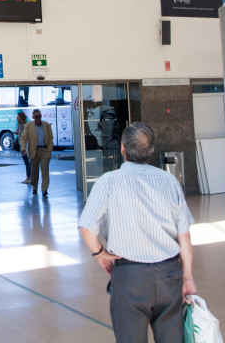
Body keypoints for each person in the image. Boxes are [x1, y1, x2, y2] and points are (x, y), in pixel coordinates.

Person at [78, 122, 197, 342]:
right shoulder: (170, 181)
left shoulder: (108, 182)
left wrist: (100, 254)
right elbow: (185, 234)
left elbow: (86, 227)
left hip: (129, 277)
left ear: (122, 148)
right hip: (169, 276)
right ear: (151, 150)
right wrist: (187, 276)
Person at [19, 109, 54, 196]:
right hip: (34, 151)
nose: (39, 118)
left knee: (45, 170)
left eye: (40, 116)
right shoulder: (29, 126)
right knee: (34, 171)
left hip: (45, 150)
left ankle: (44, 189)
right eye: (37, 117)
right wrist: (23, 148)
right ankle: (35, 187)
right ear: (33, 117)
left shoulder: (46, 125)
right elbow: (23, 137)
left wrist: (49, 149)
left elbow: (51, 138)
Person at [15, 111, 31, 184]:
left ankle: (29, 178)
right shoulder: (21, 125)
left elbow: (25, 135)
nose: (16, 118)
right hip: (22, 145)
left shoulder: (25, 125)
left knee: (27, 162)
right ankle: (29, 177)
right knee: (26, 162)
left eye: (18, 117)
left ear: (20, 117)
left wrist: (18, 133)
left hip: (25, 146)